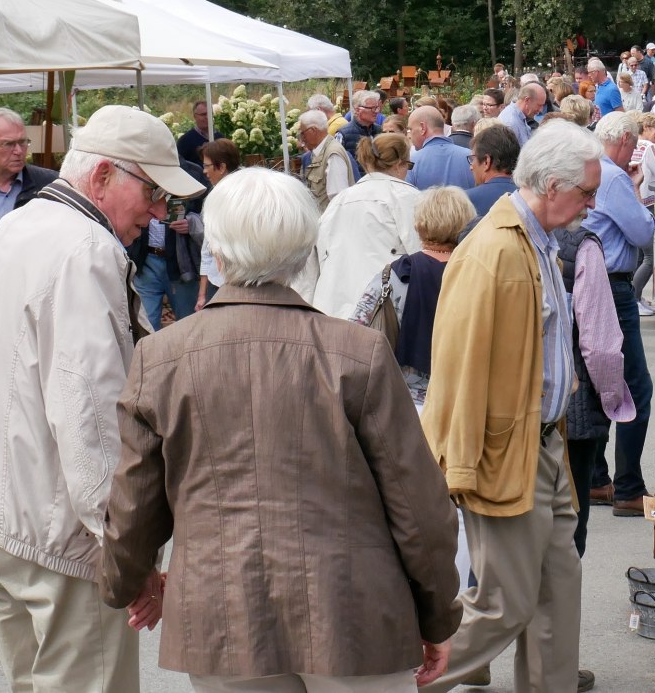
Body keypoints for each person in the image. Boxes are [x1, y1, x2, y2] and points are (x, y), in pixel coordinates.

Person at [97, 167, 462, 693]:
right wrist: (437, 614)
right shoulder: (355, 353)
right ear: (303, 249)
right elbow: (418, 504)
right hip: (353, 608)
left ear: (216, 252)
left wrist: (128, 582)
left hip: (223, 610)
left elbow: (134, 501)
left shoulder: (161, 357)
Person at [0, 105, 205, 693]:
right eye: (151, 192)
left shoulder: (17, 226)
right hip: (60, 538)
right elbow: (91, 417)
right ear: (102, 177)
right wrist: (127, 552)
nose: (157, 213)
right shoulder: (86, 249)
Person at [420, 121, 601, 693]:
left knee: (556, 596)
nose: (592, 205)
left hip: (543, 447)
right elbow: (458, 368)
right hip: (506, 454)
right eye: (587, 193)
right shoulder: (494, 248)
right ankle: (398, 682)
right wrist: (461, 466)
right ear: (552, 186)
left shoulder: (535, 239)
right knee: (505, 604)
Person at [581, 112, 655, 519]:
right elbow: (643, 232)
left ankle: (597, 478)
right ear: (623, 139)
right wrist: (640, 197)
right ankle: (628, 488)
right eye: (634, 142)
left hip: (591, 281)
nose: (635, 149)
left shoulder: (591, 170)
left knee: (595, 380)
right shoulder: (614, 177)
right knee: (634, 386)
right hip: (612, 284)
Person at [350, 186, 476, 406]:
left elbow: (356, 329)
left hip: (407, 403)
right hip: (464, 403)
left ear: (419, 225)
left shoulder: (395, 275)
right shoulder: (478, 273)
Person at [555, 221, 634, 555]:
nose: (591, 205)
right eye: (587, 194)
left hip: (514, 416)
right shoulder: (583, 245)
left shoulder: (487, 232)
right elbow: (599, 346)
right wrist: (611, 398)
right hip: (574, 411)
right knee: (570, 533)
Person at [310, 133, 422, 319]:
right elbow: (420, 253)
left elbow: (318, 255)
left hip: (333, 306)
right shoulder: (408, 197)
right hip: (384, 309)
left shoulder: (340, 201)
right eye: (408, 166)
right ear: (398, 164)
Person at [0, 108, 58, 277]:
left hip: (36, 291)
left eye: (23, 142)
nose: (19, 151)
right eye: (8, 144)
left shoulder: (51, 185)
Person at [128, 154, 211, 329]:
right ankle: (150, 356)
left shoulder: (192, 173)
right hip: (146, 260)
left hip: (181, 264)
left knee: (187, 322)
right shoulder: (139, 171)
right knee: (145, 323)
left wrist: (191, 223)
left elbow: (209, 214)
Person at [631, 112, 655, 317]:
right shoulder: (649, 147)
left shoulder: (633, 144)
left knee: (638, 255)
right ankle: (634, 298)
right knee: (650, 255)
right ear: (646, 127)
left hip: (633, 201)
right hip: (646, 203)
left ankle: (635, 296)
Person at [195, 138, 240, 311]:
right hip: (218, 283)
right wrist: (202, 294)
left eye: (207, 166)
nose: (204, 171)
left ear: (221, 167)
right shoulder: (214, 196)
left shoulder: (243, 196)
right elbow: (208, 248)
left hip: (239, 283)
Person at [406, 105, 475, 190]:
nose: (409, 135)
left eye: (410, 129)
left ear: (423, 128)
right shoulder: (471, 157)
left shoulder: (412, 162)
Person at [464, 121, 521, 223]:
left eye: (473, 159)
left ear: (486, 161)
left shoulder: (466, 200)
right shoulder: (529, 197)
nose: (471, 167)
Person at [300, 109, 353, 211]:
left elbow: (338, 199)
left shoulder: (333, 154)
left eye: (303, 133)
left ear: (313, 131)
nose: (302, 139)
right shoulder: (321, 151)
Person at [340, 89, 383, 177]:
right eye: (372, 108)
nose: (376, 111)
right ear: (358, 110)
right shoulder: (343, 134)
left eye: (377, 107)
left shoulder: (380, 131)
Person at [499, 81, 545, 145]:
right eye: (539, 105)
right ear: (527, 100)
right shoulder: (511, 123)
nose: (541, 110)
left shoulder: (520, 116)